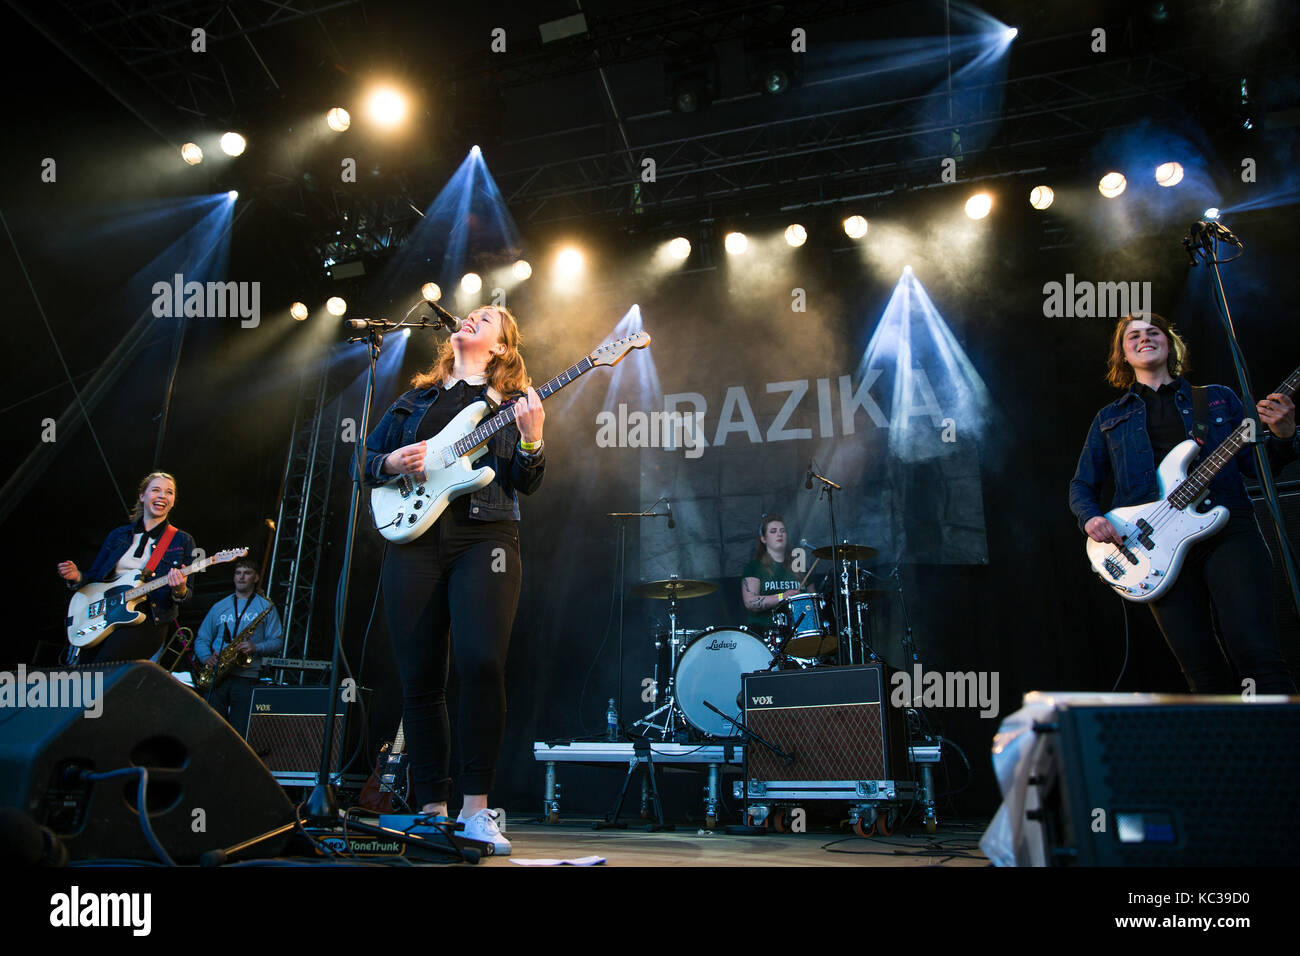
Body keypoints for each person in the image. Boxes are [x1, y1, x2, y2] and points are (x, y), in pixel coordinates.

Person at [359, 304, 545, 855]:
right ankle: (430, 809)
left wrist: (532, 440)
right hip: (412, 541)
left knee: (482, 663)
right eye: (470, 314)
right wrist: (392, 464)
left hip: (484, 538)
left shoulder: (509, 405)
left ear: (502, 348)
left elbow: (522, 480)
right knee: (419, 678)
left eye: (486, 318)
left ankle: (477, 810)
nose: (470, 318)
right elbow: (362, 460)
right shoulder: (412, 400)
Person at [1069, 312, 1298, 693]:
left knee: (1257, 654)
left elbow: (1257, 468)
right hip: (1152, 547)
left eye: (1153, 331)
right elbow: (1081, 484)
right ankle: (1225, 752)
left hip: (1228, 534)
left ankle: (1282, 748)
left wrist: (1285, 437)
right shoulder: (1110, 417)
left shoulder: (1217, 399)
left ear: (1170, 343)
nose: (1144, 338)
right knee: (1200, 668)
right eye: (1133, 336)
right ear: (1123, 354)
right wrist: (1092, 519)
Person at [57, 472, 194, 664]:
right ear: (142, 496)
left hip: (147, 618)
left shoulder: (183, 540)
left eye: (169, 492)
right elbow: (95, 578)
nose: (163, 495)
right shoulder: (118, 535)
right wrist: (77, 576)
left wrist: (179, 589)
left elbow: (187, 595)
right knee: (84, 673)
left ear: (173, 502)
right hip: (107, 613)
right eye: (156, 490)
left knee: (104, 669)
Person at [194, 559, 283, 733]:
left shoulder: (265, 607)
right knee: (211, 729)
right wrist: (206, 657)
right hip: (217, 677)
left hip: (247, 677)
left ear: (256, 578)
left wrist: (255, 647)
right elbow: (201, 639)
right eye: (238, 573)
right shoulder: (219, 607)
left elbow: (277, 641)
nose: (241, 577)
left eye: (247, 573)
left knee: (239, 731)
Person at [740, 513, 810, 629]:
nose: (779, 534)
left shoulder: (800, 567)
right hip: (766, 632)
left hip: (800, 632)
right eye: (773, 531)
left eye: (783, 531)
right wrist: (783, 596)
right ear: (763, 538)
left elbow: (812, 602)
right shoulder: (754, 567)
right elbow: (750, 602)